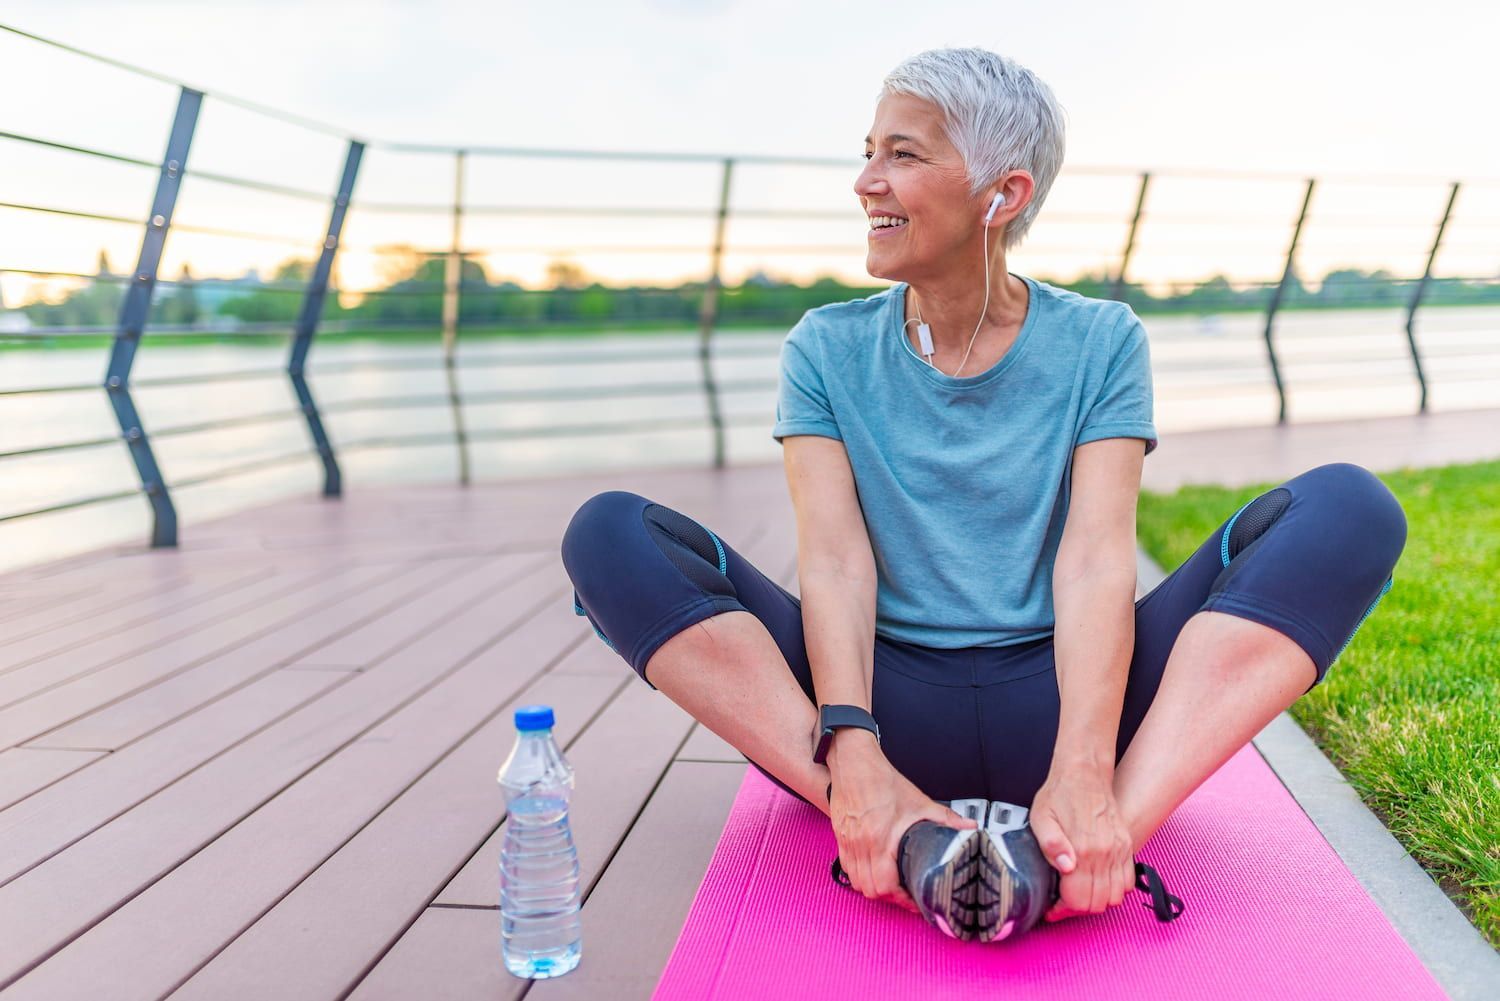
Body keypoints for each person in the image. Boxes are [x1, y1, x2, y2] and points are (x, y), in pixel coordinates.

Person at [560, 47, 1407, 941]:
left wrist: (1083, 761)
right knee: (608, 535)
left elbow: (1093, 561)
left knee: (1350, 510)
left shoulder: (1101, 340)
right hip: (879, 711)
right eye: (868, 151)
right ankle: (892, 819)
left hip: (1071, 698)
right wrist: (852, 749)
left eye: (902, 155)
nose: (865, 182)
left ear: (1001, 196)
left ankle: (1095, 833)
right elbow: (837, 563)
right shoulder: (823, 347)